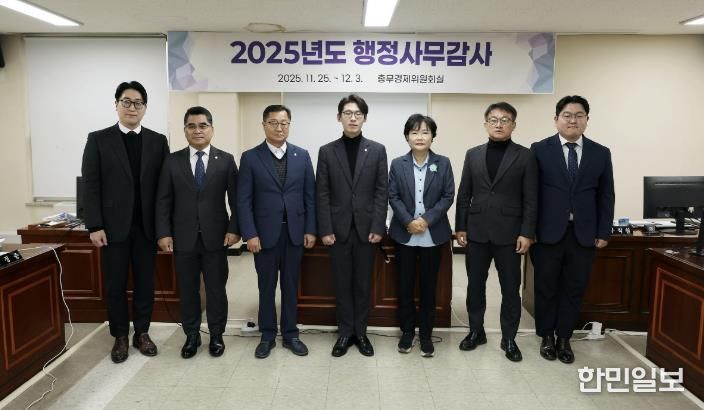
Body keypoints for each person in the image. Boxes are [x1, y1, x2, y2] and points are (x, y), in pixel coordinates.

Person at [81, 81, 169, 363]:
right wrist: (94, 225)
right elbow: (91, 185)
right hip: (112, 228)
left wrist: (164, 228)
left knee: (145, 284)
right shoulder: (99, 139)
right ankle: (120, 336)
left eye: (138, 103)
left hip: (146, 228)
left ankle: (142, 333)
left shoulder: (158, 141)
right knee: (115, 285)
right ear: (116, 104)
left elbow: (164, 189)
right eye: (126, 102)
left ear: (145, 108)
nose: (132, 107)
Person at [530, 95, 615, 364]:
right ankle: (546, 336)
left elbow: (606, 195)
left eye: (579, 115)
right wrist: (529, 230)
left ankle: (564, 338)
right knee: (545, 287)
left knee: (574, 288)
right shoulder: (539, 149)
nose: (573, 120)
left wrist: (603, 231)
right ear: (556, 119)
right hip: (547, 233)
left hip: (583, 234)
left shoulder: (601, 153)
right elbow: (531, 194)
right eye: (567, 115)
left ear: (587, 120)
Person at [455, 102, 538, 362]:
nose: (498, 124)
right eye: (493, 120)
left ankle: (509, 338)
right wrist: (460, 227)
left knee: (510, 288)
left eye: (504, 120)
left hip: (510, 234)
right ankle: (476, 331)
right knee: (475, 285)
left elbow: (531, 198)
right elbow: (464, 193)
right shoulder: (473, 154)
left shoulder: (525, 156)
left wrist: (527, 232)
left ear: (514, 124)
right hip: (477, 231)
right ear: (485, 124)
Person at [155, 106, 240, 358]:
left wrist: (235, 229)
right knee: (188, 290)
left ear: (211, 129)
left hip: (217, 237)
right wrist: (163, 233)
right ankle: (191, 335)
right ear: (185, 130)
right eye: (191, 126)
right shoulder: (172, 161)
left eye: (203, 125)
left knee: (216, 290)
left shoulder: (226, 160)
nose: (197, 130)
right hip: (183, 239)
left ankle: (216, 335)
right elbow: (163, 200)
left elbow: (236, 200)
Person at [237, 105, 317, 359]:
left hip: (294, 234)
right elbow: (243, 200)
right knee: (266, 287)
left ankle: (291, 334)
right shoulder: (250, 157)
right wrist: (250, 234)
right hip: (263, 236)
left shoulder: (302, 155)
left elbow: (310, 196)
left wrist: (310, 229)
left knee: (291, 287)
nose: (279, 127)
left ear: (289, 125)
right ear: (264, 125)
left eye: (284, 123)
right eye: (273, 122)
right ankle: (267, 335)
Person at [316, 94, 388, 357]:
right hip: (337, 231)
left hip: (367, 231)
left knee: (363, 285)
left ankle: (362, 333)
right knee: (342, 284)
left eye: (358, 114)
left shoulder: (377, 150)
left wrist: (378, 226)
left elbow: (382, 191)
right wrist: (325, 229)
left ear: (364, 118)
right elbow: (322, 193)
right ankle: (345, 333)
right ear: (339, 117)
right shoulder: (327, 151)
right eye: (348, 113)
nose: (353, 118)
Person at [388, 114, 454, 358]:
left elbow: (448, 196)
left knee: (428, 288)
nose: (419, 137)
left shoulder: (443, 163)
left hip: (432, 235)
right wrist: (408, 221)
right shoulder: (398, 164)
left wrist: (425, 220)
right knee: (405, 287)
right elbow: (392, 196)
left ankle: (426, 335)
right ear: (407, 137)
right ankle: (407, 332)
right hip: (404, 235)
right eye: (414, 132)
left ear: (432, 136)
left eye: (425, 132)